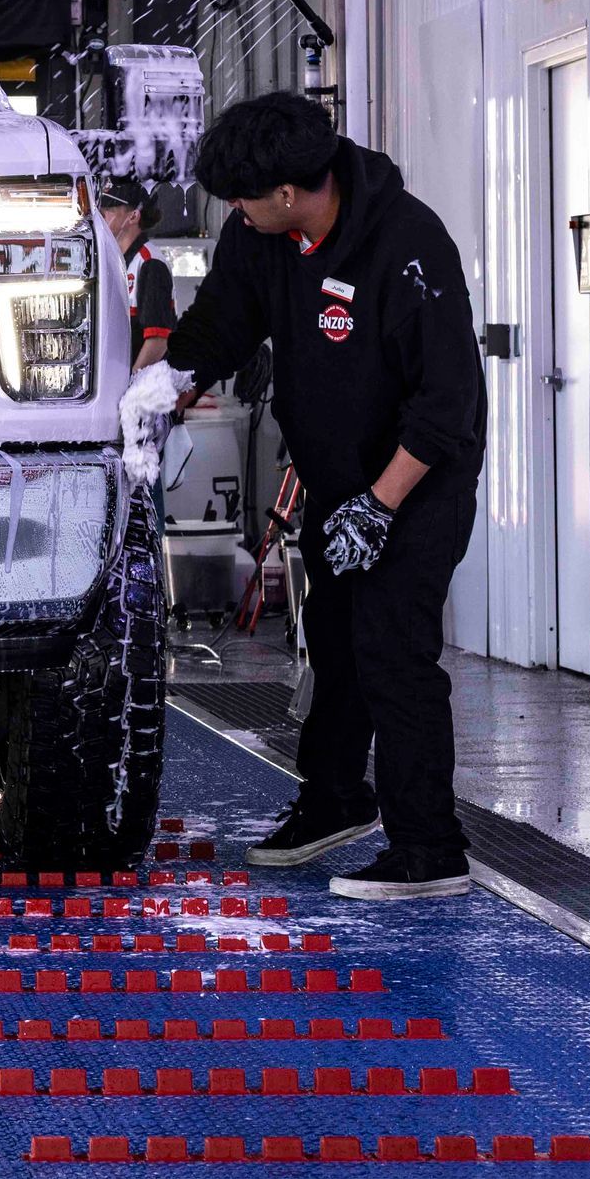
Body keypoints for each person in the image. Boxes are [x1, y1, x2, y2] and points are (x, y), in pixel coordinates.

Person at [132, 91, 486, 902]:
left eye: (245, 200)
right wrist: (165, 385)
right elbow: (223, 322)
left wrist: (380, 504)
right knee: (332, 639)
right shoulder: (262, 238)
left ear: (290, 191)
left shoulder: (407, 243)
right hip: (336, 477)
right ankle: (334, 801)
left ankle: (430, 849)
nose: (238, 213)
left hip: (419, 478)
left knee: (391, 649)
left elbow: (448, 400)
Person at [99, 174, 176, 368]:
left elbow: (158, 339)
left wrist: (133, 385)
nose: (101, 217)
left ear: (133, 216)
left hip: (143, 387)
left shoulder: (150, 263)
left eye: (108, 210)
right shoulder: (115, 261)